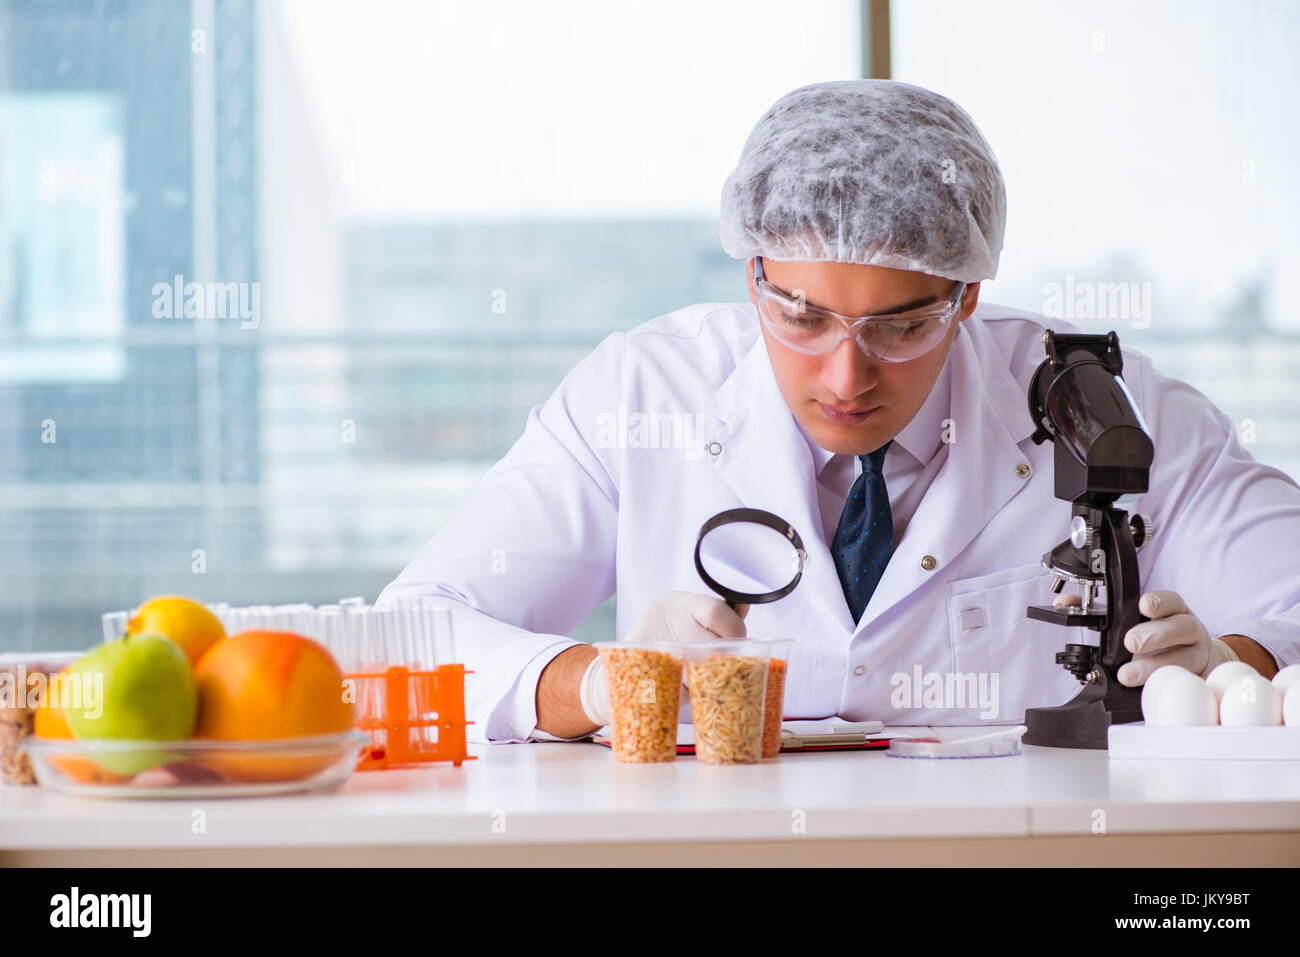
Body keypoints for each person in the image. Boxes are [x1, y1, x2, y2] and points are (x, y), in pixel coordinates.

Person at [378, 79, 1298, 743]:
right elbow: (416, 626)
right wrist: (605, 683)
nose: (846, 373)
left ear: (967, 296)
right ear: (752, 275)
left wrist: (1236, 662)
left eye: (901, 324)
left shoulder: (1098, 398)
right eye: (802, 315)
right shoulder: (641, 393)